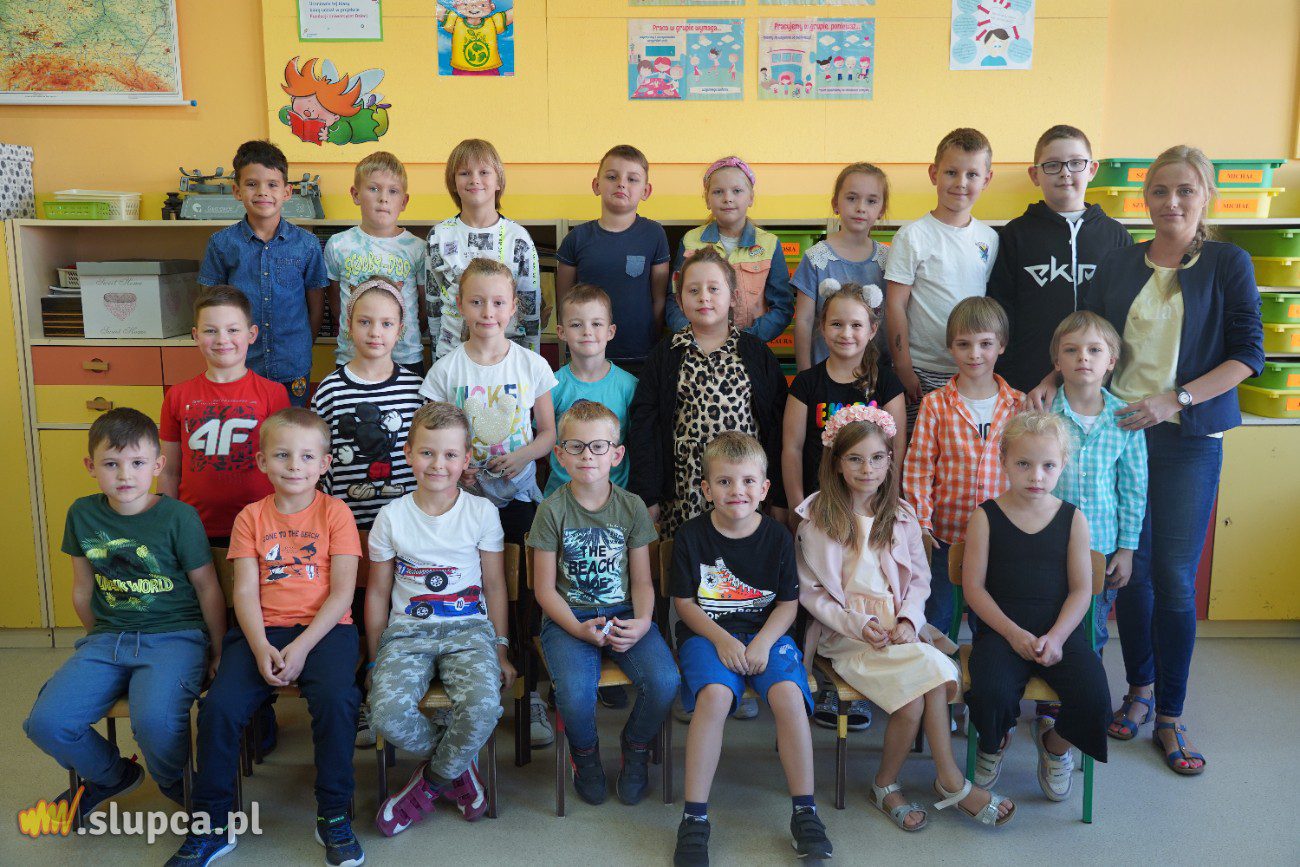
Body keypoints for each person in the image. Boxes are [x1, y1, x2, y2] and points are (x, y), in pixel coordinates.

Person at [1046, 145, 1264, 774]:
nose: (1172, 202)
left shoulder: (1227, 262)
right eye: (1160, 190)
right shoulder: (1121, 261)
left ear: (1206, 196)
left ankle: (1170, 713)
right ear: (1144, 197)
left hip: (1188, 438)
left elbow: (1249, 354)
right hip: (1119, 433)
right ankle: (1138, 689)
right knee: (1129, 571)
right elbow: (1087, 336)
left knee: (1172, 576)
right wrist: (1048, 380)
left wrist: (1178, 398)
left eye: (1185, 190)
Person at [797, 405, 1014, 830]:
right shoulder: (816, 519)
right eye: (855, 458)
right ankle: (941, 781)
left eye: (877, 457)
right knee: (923, 684)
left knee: (917, 691)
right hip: (847, 635)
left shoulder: (901, 515)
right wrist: (857, 625)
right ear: (836, 463)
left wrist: (909, 622)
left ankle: (901, 784)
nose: (868, 469)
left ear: (889, 460)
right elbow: (813, 595)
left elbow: (918, 581)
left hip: (896, 629)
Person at [168, 409, 363, 867]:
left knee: (338, 702)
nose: (294, 465)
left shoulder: (336, 512)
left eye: (307, 456)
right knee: (218, 708)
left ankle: (334, 814)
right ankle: (212, 824)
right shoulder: (251, 517)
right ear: (261, 461)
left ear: (325, 464)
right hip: (262, 629)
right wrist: (260, 648)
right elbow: (244, 592)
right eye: (282, 455)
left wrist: (302, 646)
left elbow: (342, 593)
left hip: (326, 630)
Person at [26, 409, 225, 824]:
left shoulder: (178, 517)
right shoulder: (82, 514)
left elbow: (207, 587)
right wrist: (97, 640)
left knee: (154, 722)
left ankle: (176, 784)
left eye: (137, 463)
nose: (124, 475)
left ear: (158, 465)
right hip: (107, 640)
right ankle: (112, 776)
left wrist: (218, 650)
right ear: (90, 466)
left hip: (174, 638)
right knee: (46, 722)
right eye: (111, 464)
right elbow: (83, 588)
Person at [670, 433, 831, 866]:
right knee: (715, 697)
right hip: (708, 635)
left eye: (746, 481)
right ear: (706, 489)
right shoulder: (690, 536)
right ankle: (694, 818)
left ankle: (805, 811)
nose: (736, 491)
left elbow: (788, 604)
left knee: (790, 697)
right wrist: (722, 640)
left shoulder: (778, 537)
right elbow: (684, 604)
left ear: (763, 488)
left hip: (768, 636)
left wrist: (762, 642)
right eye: (724, 482)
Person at [419, 257, 558, 747]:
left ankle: (531, 692)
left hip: (518, 500)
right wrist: (458, 468)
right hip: (462, 503)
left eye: (498, 302)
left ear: (514, 307)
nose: (487, 312)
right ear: (459, 306)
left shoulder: (530, 364)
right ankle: (454, 686)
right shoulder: (446, 370)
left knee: (528, 595)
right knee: (464, 591)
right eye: (476, 302)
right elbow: (434, 437)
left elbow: (548, 434)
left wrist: (522, 456)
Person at [367, 402, 515, 835]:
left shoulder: (481, 512)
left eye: (450, 454)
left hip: (469, 632)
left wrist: (501, 649)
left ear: (466, 459)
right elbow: (377, 593)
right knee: (385, 713)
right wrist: (374, 657)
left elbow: (494, 587)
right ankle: (457, 768)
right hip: (406, 635)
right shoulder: (391, 517)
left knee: (484, 706)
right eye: (427, 452)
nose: (438, 464)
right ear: (409, 453)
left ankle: (430, 782)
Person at [528, 401, 679, 806]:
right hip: (569, 618)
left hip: (625, 614)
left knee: (665, 681)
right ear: (559, 455)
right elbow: (544, 590)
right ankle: (585, 755)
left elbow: (643, 580)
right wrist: (577, 628)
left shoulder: (631, 507)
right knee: (574, 693)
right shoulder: (551, 510)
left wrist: (643, 621)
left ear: (616, 454)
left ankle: (636, 745)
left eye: (598, 446)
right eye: (575, 446)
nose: (587, 456)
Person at [961, 413, 1111, 802]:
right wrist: (1013, 634)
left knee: (1095, 696)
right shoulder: (985, 517)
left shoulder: (1073, 519)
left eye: (1048, 466)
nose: (1036, 476)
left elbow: (1082, 590)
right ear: (1004, 461)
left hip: (1059, 633)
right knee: (990, 692)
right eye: (1024, 464)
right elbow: (974, 588)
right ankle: (994, 742)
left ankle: (1054, 745)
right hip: (1001, 632)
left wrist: (1057, 637)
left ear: (1063, 465)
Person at [783, 281, 905, 733]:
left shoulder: (885, 382)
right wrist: (796, 506)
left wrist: (888, 508)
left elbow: (897, 452)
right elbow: (792, 448)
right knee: (824, 596)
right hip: (822, 513)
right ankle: (820, 678)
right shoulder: (807, 383)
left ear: (872, 329)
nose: (846, 333)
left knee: (865, 592)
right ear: (822, 327)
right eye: (836, 324)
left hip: (871, 512)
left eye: (856, 325)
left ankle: (863, 683)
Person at [311, 278, 425, 748]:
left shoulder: (417, 387)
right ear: (348, 326)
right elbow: (317, 460)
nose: (375, 332)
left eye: (386, 323)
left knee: (401, 610)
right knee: (358, 614)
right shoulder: (330, 390)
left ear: (401, 329)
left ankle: (401, 694)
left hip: (405, 528)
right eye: (365, 322)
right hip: (350, 528)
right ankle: (363, 697)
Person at [629, 246, 788, 539]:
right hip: (684, 490)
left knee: (742, 557)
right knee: (689, 558)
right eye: (693, 290)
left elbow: (778, 426)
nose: (704, 297)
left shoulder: (755, 353)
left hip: (743, 488)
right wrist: (647, 495)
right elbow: (644, 427)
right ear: (679, 301)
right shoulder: (665, 355)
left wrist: (779, 495)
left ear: (733, 297)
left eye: (714, 289)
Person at [903, 297, 1023, 637]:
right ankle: (937, 670)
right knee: (937, 618)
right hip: (945, 536)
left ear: (1001, 345)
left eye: (985, 344)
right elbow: (919, 468)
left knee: (994, 623)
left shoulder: (1019, 405)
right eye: (964, 344)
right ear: (950, 347)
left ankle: (987, 667)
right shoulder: (935, 404)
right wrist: (922, 525)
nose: (975, 354)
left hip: (1002, 537)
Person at [159, 286, 290, 595]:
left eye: (233, 330)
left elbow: (286, 466)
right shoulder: (177, 396)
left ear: (251, 334)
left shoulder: (273, 394)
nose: (222, 339)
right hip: (196, 528)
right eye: (210, 330)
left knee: (256, 604)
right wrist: (165, 523)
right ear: (195, 335)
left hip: (261, 526)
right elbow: (169, 470)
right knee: (204, 603)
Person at [986, 125, 1132, 393]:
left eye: (1076, 163)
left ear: (1092, 169)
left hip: (1098, 386)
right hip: (1028, 381)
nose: (1065, 172)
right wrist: (1007, 375)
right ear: (1035, 174)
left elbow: (1124, 313)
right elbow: (1001, 310)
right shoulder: (1015, 235)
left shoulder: (1116, 236)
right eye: (1052, 165)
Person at [199, 140, 328, 407]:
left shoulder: (307, 244)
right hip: (241, 364)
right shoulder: (221, 244)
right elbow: (210, 306)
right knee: (244, 428)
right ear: (237, 191)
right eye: (251, 184)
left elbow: (316, 306)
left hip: (292, 364)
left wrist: (303, 345)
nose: (262, 192)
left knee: (289, 428)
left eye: (272, 184)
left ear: (287, 192)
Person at [885, 128, 998, 429]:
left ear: (986, 180)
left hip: (972, 368)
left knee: (962, 445)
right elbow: (895, 305)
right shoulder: (912, 236)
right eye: (951, 172)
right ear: (934, 173)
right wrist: (903, 367)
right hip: (921, 370)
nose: (961, 183)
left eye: (972, 174)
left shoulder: (989, 238)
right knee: (919, 445)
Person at [555, 144, 671, 371]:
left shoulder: (654, 234)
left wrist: (652, 342)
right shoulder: (576, 239)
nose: (621, 184)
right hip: (587, 357)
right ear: (596, 185)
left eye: (632, 179)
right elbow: (564, 301)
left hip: (641, 356)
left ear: (646, 191)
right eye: (612, 177)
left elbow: (659, 300)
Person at [426, 138, 542, 358]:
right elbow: (433, 304)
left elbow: (530, 309)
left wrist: (531, 360)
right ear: (453, 183)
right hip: (452, 355)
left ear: (498, 181)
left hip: (508, 358)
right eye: (464, 173)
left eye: (484, 172)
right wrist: (436, 359)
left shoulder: (518, 238)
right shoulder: (439, 236)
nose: (474, 179)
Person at [664, 156, 794, 343]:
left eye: (737, 191)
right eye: (718, 192)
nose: (728, 198)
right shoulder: (690, 241)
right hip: (697, 347)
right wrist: (694, 337)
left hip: (750, 347)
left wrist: (744, 341)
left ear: (751, 198)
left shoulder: (769, 244)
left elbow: (783, 307)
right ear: (707, 199)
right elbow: (674, 300)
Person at [324, 151, 428, 374]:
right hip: (352, 357)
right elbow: (336, 302)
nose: (383, 198)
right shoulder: (338, 245)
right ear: (355, 194)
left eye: (393, 191)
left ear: (404, 201)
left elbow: (423, 306)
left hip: (405, 357)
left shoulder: (417, 248)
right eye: (373, 189)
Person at [792, 163, 891, 370]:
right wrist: (804, 374)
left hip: (875, 374)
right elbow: (804, 320)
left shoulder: (888, 260)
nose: (861, 207)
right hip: (825, 373)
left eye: (871, 201)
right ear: (835, 203)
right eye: (851, 198)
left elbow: (893, 317)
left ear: (881, 210)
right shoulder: (816, 258)